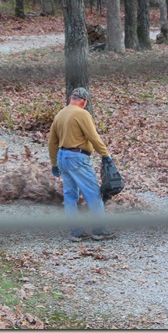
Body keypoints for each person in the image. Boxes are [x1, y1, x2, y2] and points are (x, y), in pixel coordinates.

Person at [48, 87, 116, 242]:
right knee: (93, 193)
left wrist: (54, 163)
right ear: (84, 102)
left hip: (62, 157)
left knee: (70, 196)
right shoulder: (82, 114)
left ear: (71, 98)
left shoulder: (60, 115)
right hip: (77, 158)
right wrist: (105, 155)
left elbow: (52, 142)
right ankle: (99, 230)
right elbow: (93, 137)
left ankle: (76, 232)